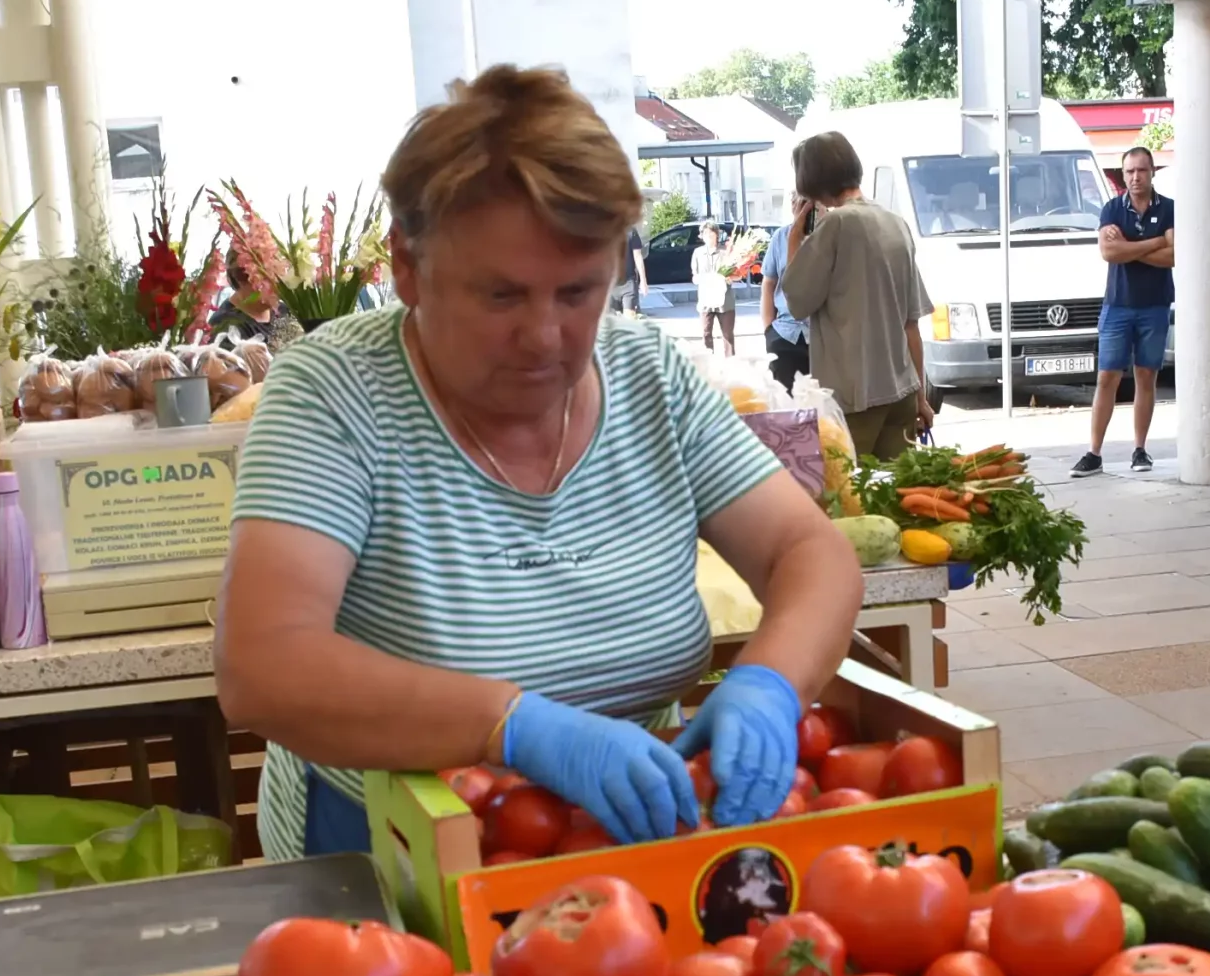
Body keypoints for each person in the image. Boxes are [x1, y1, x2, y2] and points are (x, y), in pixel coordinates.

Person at [213, 64, 863, 860]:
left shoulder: (648, 376)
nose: (545, 336)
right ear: (407, 266)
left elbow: (809, 552)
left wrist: (770, 682)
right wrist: (509, 724)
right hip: (391, 840)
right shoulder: (335, 393)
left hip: (630, 831)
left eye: (578, 292)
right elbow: (264, 665)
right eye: (501, 296)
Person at [778, 131, 935, 459]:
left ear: (810, 179)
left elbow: (797, 301)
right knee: (900, 486)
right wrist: (921, 397)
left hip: (853, 398)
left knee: (848, 487)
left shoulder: (836, 225)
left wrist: (795, 237)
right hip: (902, 390)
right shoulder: (896, 223)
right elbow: (911, 324)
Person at [1073, 147, 1174, 476]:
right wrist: (1155, 242)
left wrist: (1127, 247)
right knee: (1107, 377)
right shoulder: (1112, 209)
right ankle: (1094, 453)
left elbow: (1175, 255)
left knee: (1146, 376)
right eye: (1129, 171)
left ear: (1152, 172)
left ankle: (1140, 450)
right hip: (1117, 305)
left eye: (1141, 170)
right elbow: (1109, 252)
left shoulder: (1170, 208)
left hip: (1155, 305)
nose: (1135, 177)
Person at [758, 219, 809, 391]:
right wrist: (769, 330)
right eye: (799, 205)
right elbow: (768, 282)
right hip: (784, 334)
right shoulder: (781, 236)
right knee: (784, 399)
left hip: (822, 336)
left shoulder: (832, 234)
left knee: (822, 401)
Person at [692, 221, 737, 354]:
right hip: (706, 300)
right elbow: (694, 277)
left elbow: (737, 275)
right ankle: (708, 360)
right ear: (701, 236)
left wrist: (730, 278)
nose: (709, 236)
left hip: (725, 300)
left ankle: (731, 362)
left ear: (717, 235)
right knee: (706, 332)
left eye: (711, 233)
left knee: (727, 335)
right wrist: (700, 279)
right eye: (705, 234)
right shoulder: (698, 253)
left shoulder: (725, 252)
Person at [613, 225, 647, 316]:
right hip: (608, 285)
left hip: (628, 283)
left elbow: (638, 256)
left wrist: (643, 281)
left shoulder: (631, 231)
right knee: (611, 320)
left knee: (629, 318)